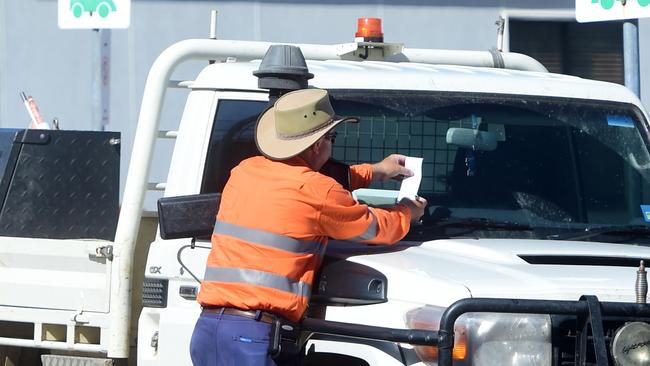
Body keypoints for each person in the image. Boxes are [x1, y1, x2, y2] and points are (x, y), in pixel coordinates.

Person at [190, 88, 427, 366]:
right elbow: (378, 228)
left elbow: (305, 182)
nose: (331, 145)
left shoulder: (245, 171)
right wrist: (407, 212)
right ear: (317, 145)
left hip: (209, 331)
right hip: (255, 337)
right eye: (331, 138)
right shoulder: (319, 191)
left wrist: (374, 171)